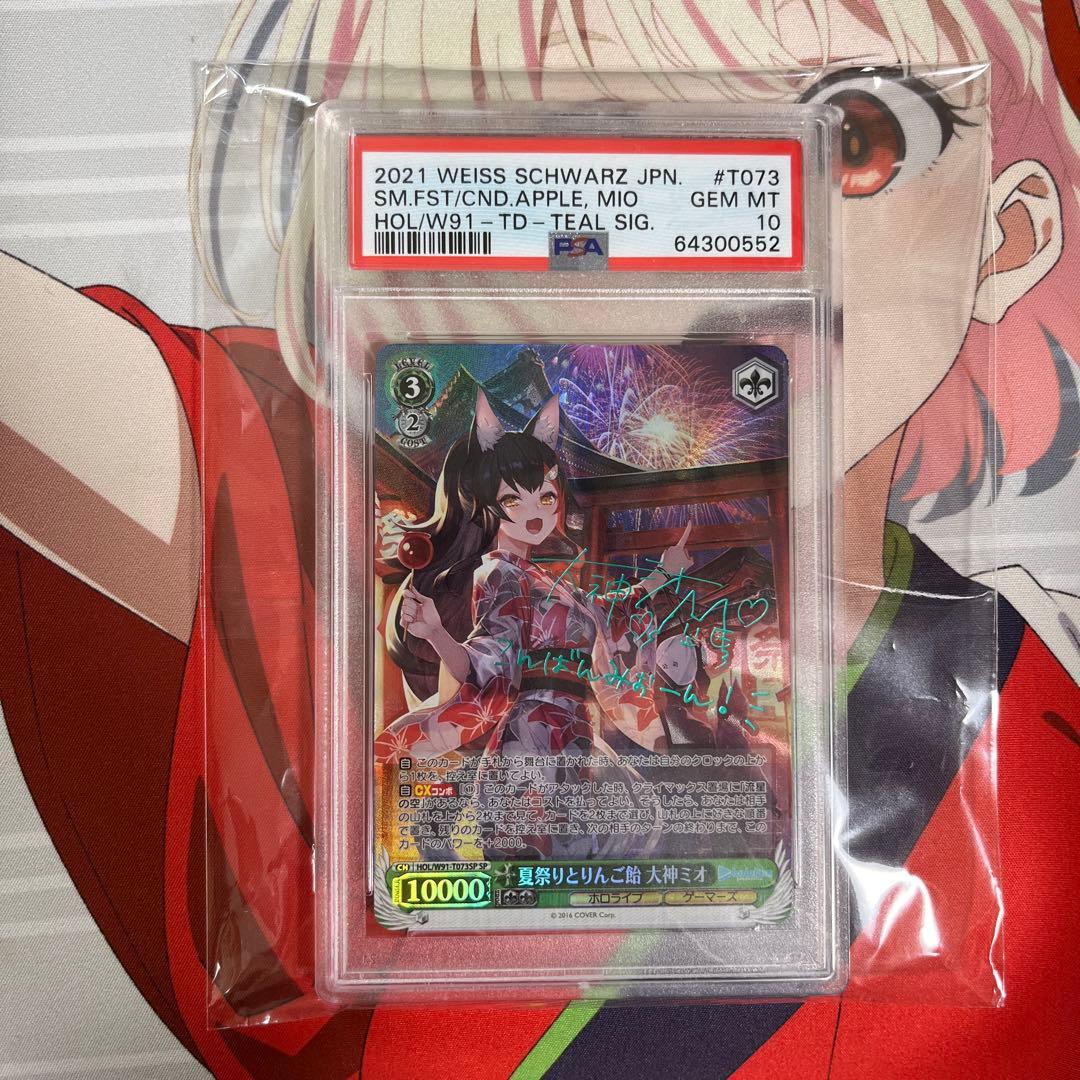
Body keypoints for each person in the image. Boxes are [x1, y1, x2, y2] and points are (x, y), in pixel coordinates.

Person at [1, 1, 1078, 1077]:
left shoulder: (1027, 718)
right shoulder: (345, 560)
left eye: (858, 136)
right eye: (577, 150)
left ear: (1011, 228)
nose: (727, 220)